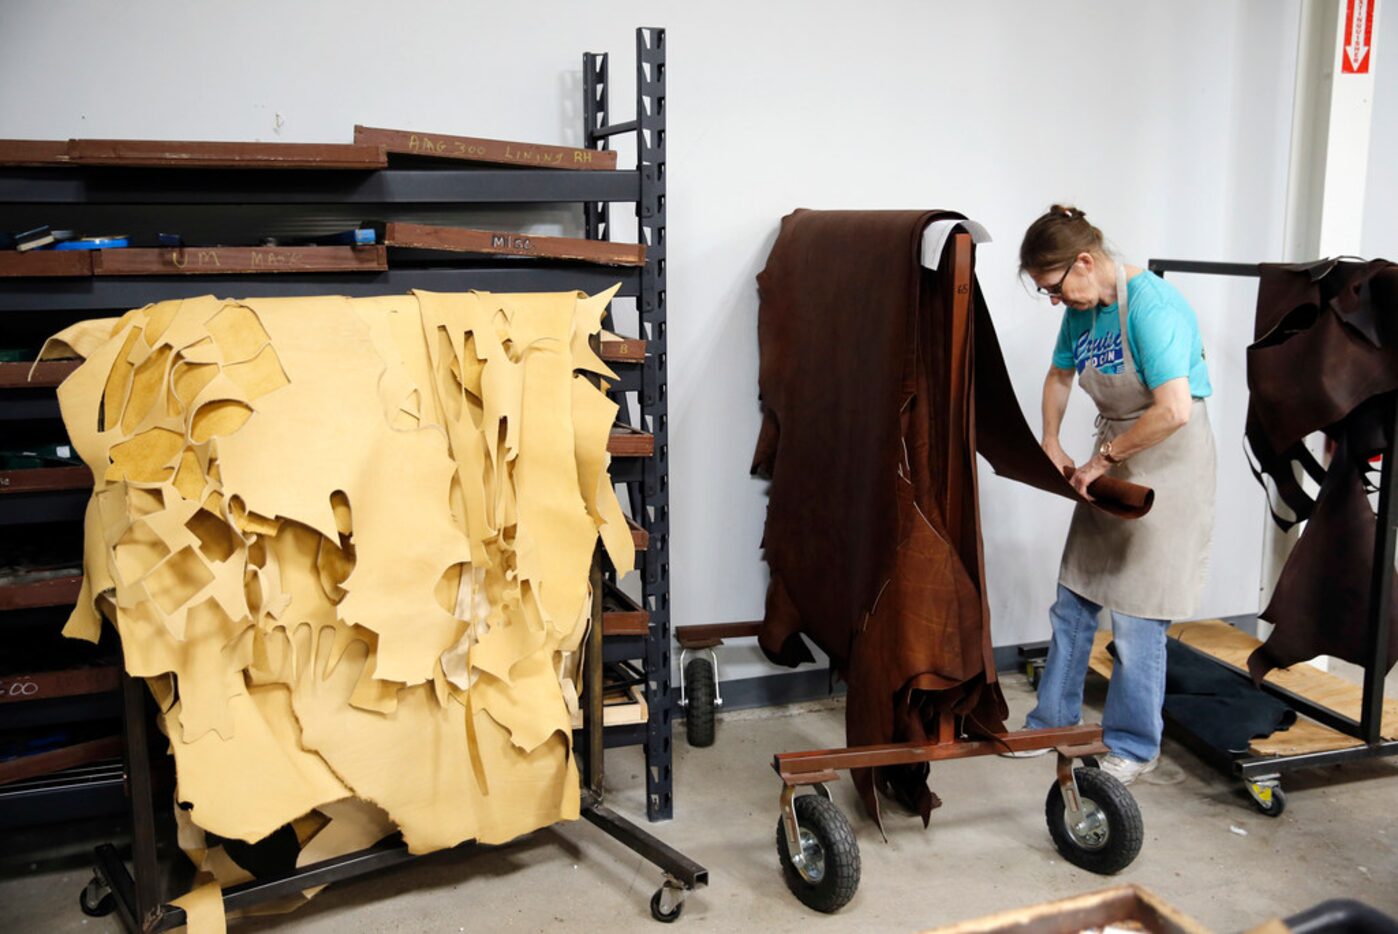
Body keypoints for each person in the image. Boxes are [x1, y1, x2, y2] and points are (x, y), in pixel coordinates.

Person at [1012, 205, 1216, 786]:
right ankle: (1052, 721)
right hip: (1116, 455)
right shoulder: (1082, 311)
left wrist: (1102, 459)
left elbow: (1173, 410)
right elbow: (1059, 376)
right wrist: (1051, 441)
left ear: (1084, 262)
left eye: (1056, 288)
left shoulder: (1152, 307)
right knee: (1075, 598)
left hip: (1167, 460)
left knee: (1138, 616)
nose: (1056, 301)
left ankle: (1133, 744)